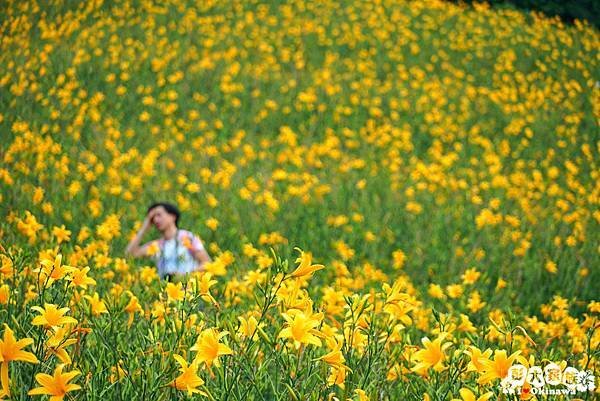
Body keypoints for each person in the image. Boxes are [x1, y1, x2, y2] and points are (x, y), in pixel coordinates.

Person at [125, 202, 212, 281]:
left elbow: (207, 263)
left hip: (188, 292)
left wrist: (185, 276)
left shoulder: (187, 237)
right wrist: (145, 227)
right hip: (166, 295)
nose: (155, 220)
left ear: (172, 216)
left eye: (159, 215)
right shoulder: (157, 245)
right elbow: (130, 254)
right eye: (152, 218)